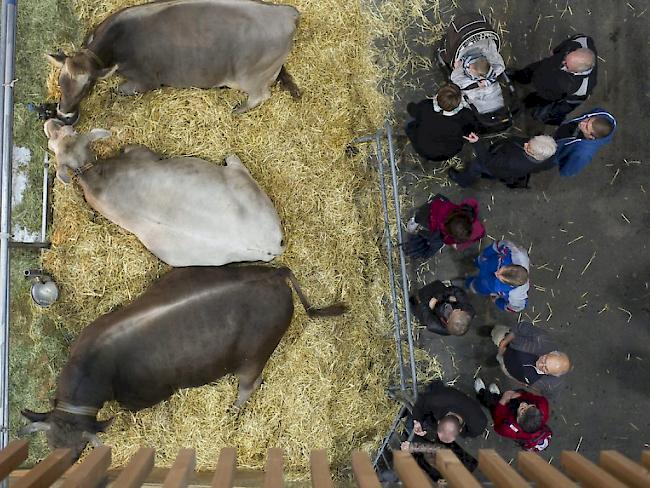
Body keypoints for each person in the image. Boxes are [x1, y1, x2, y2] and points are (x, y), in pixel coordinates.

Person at [400, 380, 487, 481]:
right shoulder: (438, 399)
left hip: (451, 470)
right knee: (413, 424)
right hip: (444, 397)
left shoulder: (478, 424)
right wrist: (417, 421)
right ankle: (433, 386)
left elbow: (443, 448)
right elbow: (421, 403)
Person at [509, 35, 597, 125]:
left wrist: (548, 113)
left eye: (567, 66)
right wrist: (556, 51)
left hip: (547, 91)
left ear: (578, 71)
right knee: (530, 71)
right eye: (566, 58)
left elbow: (567, 105)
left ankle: (524, 104)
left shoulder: (582, 88)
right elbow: (567, 42)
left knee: (534, 99)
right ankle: (518, 76)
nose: (562, 64)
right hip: (544, 67)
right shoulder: (583, 41)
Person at [490, 322, 571, 398]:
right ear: (551, 352)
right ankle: (491, 331)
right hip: (507, 345)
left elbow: (546, 395)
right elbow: (521, 327)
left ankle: (499, 360)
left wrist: (525, 384)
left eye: (546, 368)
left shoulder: (553, 385)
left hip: (509, 369)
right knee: (496, 334)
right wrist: (503, 343)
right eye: (545, 359)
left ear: (552, 375)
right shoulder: (542, 339)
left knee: (501, 363)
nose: (540, 364)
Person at [405, 83, 479, 162]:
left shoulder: (426, 105)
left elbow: (412, 110)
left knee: (410, 125)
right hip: (445, 154)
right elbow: (473, 130)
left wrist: (410, 105)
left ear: (437, 96)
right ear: (459, 101)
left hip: (421, 148)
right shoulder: (466, 115)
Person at [448, 135, 557, 188]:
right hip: (508, 168)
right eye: (530, 141)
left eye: (529, 147)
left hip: (498, 167)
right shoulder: (548, 158)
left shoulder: (513, 161)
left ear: (534, 154)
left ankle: (463, 180)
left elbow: (488, 161)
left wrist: (477, 143)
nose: (525, 144)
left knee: (476, 165)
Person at [474, 378, 552, 452]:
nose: (523, 404)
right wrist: (520, 395)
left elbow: (497, 419)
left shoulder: (509, 429)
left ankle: (482, 393)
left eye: (522, 409)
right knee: (505, 396)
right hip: (517, 398)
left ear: (518, 420)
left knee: (491, 402)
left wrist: (503, 400)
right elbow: (533, 397)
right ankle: (497, 395)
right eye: (531, 406)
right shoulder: (543, 406)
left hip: (504, 410)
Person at [404, 194, 485, 258]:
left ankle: (415, 220)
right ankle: (415, 220)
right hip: (431, 214)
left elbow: (471, 201)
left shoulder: (464, 212)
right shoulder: (443, 232)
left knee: (422, 215)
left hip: (438, 205)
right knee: (420, 216)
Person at [464, 240, 529, 313]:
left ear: (510, 285)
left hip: (487, 286)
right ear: (513, 264)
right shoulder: (515, 253)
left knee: (476, 286)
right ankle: (475, 262)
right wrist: (485, 254)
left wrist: (498, 301)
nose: (496, 273)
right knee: (480, 261)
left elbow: (515, 308)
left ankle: (468, 283)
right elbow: (500, 245)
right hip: (489, 262)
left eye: (500, 278)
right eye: (501, 269)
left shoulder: (516, 296)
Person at [450, 38, 506, 114]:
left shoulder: (489, 73)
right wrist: (459, 65)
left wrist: (484, 83)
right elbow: (463, 60)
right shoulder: (470, 61)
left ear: (481, 76)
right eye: (471, 67)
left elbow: (491, 79)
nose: (469, 68)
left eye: (471, 69)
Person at [554, 108, 616, 176]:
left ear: (591, 137)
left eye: (586, 127)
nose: (582, 123)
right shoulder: (602, 114)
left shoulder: (583, 154)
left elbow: (567, 171)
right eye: (588, 120)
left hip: (553, 153)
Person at [409, 280, 475, 336]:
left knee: (417, 303)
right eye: (461, 310)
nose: (458, 309)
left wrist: (429, 307)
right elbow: (456, 291)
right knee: (438, 286)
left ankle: (411, 299)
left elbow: (426, 317)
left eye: (455, 312)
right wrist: (439, 297)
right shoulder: (468, 310)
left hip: (430, 311)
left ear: (448, 321)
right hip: (443, 300)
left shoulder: (435, 326)